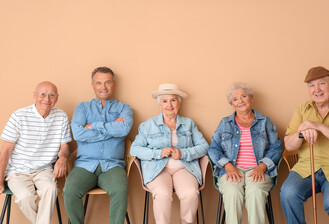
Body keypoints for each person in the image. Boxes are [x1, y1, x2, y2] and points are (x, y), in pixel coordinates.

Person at [280, 66, 329, 224]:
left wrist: (319, 126)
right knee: (288, 193)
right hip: (307, 168)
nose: (316, 89)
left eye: (321, 83)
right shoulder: (302, 109)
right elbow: (289, 145)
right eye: (311, 86)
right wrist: (301, 132)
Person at [130, 83, 208, 224]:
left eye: (173, 100)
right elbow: (134, 149)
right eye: (165, 101)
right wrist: (158, 153)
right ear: (160, 103)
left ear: (179, 102)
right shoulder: (148, 126)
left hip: (184, 168)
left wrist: (183, 153)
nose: (169, 105)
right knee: (162, 194)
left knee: (190, 193)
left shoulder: (189, 124)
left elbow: (204, 147)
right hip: (157, 169)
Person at [63, 67, 133, 224]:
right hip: (84, 165)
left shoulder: (124, 108)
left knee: (120, 189)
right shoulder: (82, 107)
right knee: (70, 191)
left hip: (113, 165)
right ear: (92, 85)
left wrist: (92, 125)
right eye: (99, 83)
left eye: (107, 82)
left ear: (114, 84)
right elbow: (79, 134)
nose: (103, 87)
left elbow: (124, 129)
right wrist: (111, 127)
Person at [208, 82, 282, 224]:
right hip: (232, 170)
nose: (240, 101)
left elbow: (276, 147)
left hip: (258, 169)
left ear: (251, 99)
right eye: (235, 99)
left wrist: (262, 166)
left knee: (255, 193)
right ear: (232, 104)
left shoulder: (264, 121)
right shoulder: (225, 123)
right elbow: (213, 148)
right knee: (232, 193)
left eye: (243, 96)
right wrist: (227, 166)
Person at [0, 81, 71, 224]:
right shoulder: (19, 116)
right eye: (42, 95)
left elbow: (64, 147)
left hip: (44, 169)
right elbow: (6, 151)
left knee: (51, 190)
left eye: (52, 95)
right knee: (25, 197)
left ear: (57, 98)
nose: (47, 99)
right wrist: (0, 179)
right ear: (34, 96)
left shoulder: (61, 116)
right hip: (17, 170)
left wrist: (62, 158)